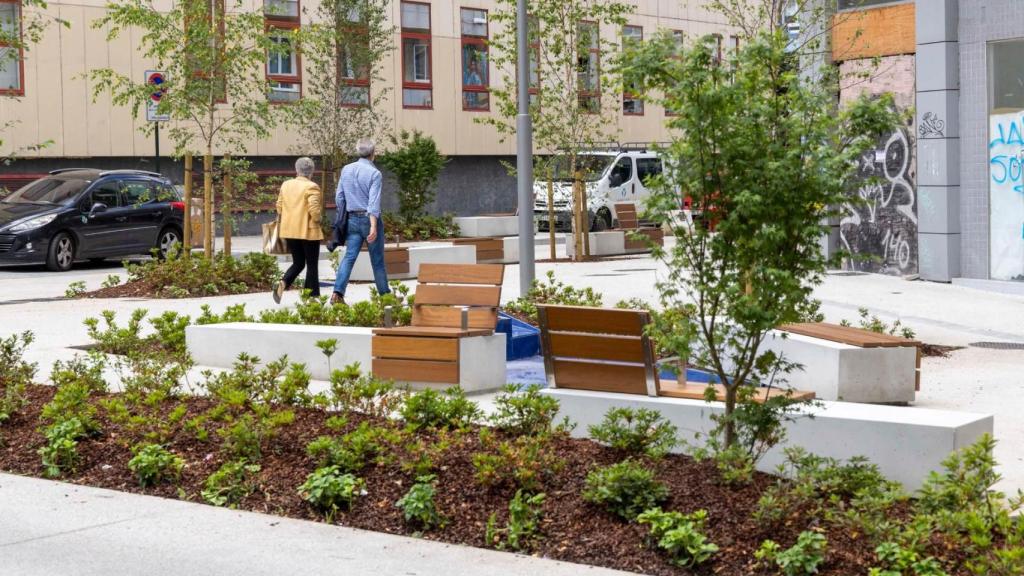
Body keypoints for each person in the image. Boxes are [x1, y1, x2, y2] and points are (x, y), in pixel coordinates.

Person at [331, 139, 390, 305]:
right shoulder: (375, 174)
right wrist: (373, 226)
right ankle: (385, 297)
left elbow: (339, 197)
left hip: (351, 219)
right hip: (368, 218)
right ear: (373, 154)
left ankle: (337, 293)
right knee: (377, 260)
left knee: (349, 257)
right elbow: (373, 202)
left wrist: (343, 216)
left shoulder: (346, 169)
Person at [272, 157, 323, 303]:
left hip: (290, 230)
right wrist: (319, 219)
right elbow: (314, 209)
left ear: (297, 170)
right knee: (312, 264)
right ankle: (311, 297)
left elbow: (279, 206)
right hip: (308, 231)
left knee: (299, 262)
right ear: (312, 171)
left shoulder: (286, 185)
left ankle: (282, 283)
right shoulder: (312, 186)